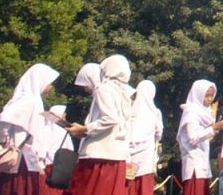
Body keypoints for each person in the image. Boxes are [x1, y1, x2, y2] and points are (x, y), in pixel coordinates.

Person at [67, 55, 134, 195]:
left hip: (98, 154)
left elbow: (110, 119)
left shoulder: (103, 88)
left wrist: (85, 128)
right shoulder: (125, 92)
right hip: (116, 154)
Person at [0, 63, 60, 195]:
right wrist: (4, 139)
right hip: (21, 155)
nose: (50, 87)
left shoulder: (33, 99)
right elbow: (5, 117)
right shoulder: (28, 100)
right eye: (49, 83)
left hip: (27, 155)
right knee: (18, 187)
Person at [176, 80, 223, 195]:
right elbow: (193, 138)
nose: (209, 99)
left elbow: (202, 137)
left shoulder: (205, 112)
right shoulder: (191, 113)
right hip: (194, 164)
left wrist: (212, 131)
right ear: (199, 94)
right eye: (207, 96)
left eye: (211, 96)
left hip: (203, 163)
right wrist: (213, 128)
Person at [127, 81, 163, 195]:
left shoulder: (129, 110)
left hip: (129, 160)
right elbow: (159, 134)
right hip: (146, 161)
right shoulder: (155, 113)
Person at [36, 105, 73, 195]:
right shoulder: (64, 133)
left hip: (43, 168)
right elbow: (70, 151)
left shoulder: (42, 130)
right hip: (59, 171)